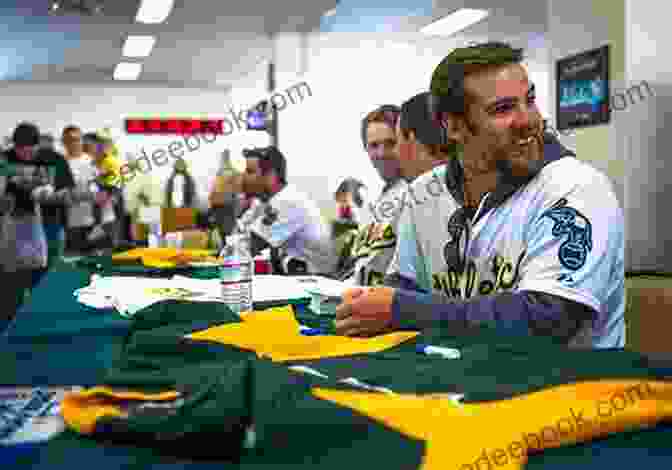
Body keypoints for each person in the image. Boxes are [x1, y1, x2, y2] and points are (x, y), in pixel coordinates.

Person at [335, 42, 624, 349]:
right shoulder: (424, 193)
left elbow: (549, 320)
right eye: (503, 109)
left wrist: (402, 310)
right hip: (459, 380)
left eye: (529, 100)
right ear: (454, 126)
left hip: (570, 388)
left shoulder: (575, 187)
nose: (529, 120)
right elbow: (405, 286)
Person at [211, 146, 338, 275]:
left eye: (250, 171)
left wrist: (224, 205)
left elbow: (244, 250)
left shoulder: (287, 201)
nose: (242, 177)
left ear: (271, 176)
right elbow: (235, 238)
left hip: (317, 281)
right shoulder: (262, 202)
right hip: (294, 274)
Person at [1, 122, 72, 314]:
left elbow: (67, 192)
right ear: (13, 146)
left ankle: (45, 324)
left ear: (38, 145)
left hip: (49, 229)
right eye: (20, 150)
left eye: (29, 151)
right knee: (10, 287)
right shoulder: (4, 160)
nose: (24, 155)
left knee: (46, 286)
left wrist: (51, 196)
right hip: (12, 231)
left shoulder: (54, 160)